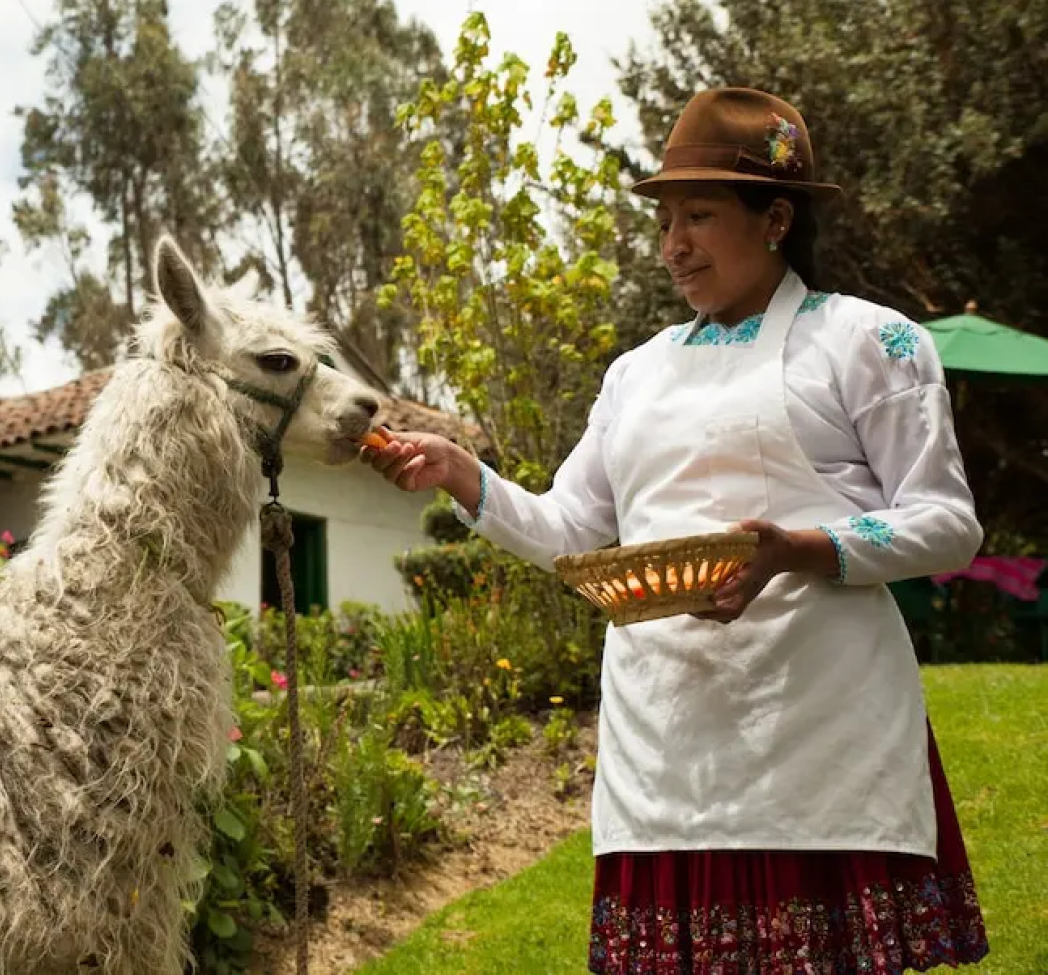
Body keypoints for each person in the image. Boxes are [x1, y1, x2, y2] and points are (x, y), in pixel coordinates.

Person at [363, 87, 990, 972]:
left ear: (775, 217)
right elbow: (575, 528)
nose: (672, 246)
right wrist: (466, 478)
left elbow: (945, 523)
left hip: (819, 732)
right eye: (664, 221)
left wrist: (796, 550)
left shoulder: (867, 343)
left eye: (697, 215)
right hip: (665, 747)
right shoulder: (635, 375)